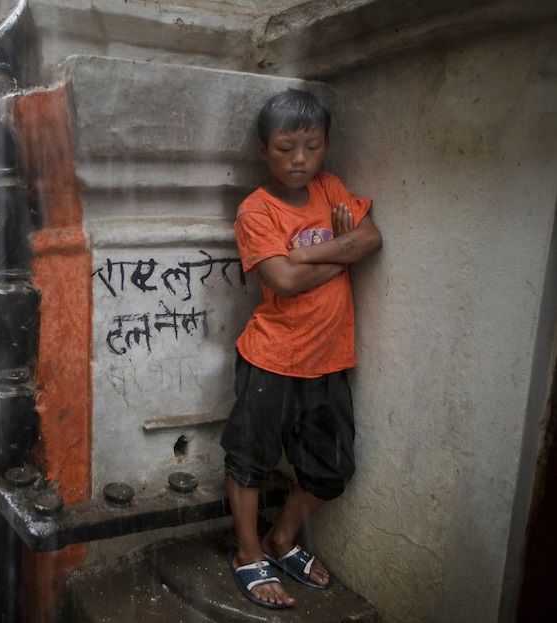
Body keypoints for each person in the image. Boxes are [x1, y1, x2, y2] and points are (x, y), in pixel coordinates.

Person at [222, 89, 383, 609]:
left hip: (330, 359)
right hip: (270, 357)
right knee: (250, 461)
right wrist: (342, 253)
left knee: (332, 469)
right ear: (263, 149)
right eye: (286, 147)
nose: (299, 159)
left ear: (325, 146)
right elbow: (285, 280)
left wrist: (312, 252)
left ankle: (280, 539)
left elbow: (371, 240)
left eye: (311, 147)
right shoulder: (256, 210)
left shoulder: (331, 187)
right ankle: (248, 554)